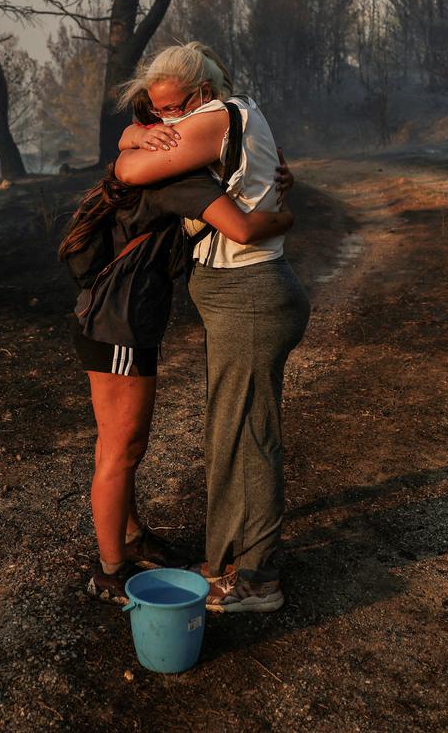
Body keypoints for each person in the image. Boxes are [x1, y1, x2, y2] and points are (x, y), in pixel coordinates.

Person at [114, 42, 310, 614]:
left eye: (171, 110)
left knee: (247, 434)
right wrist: (137, 133)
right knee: (230, 430)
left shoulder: (216, 116)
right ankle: (227, 559)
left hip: (249, 295)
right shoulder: (236, 116)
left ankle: (255, 579)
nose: (164, 123)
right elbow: (137, 151)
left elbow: (130, 171)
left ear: (201, 93)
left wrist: (134, 144)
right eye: (155, 111)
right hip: (244, 295)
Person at [63, 146, 295, 606]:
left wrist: (277, 182)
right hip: (118, 330)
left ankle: (129, 537)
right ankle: (110, 571)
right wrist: (285, 214)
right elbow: (244, 230)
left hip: (115, 323)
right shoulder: (182, 182)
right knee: (122, 451)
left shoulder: (164, 177)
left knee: (118, 446)